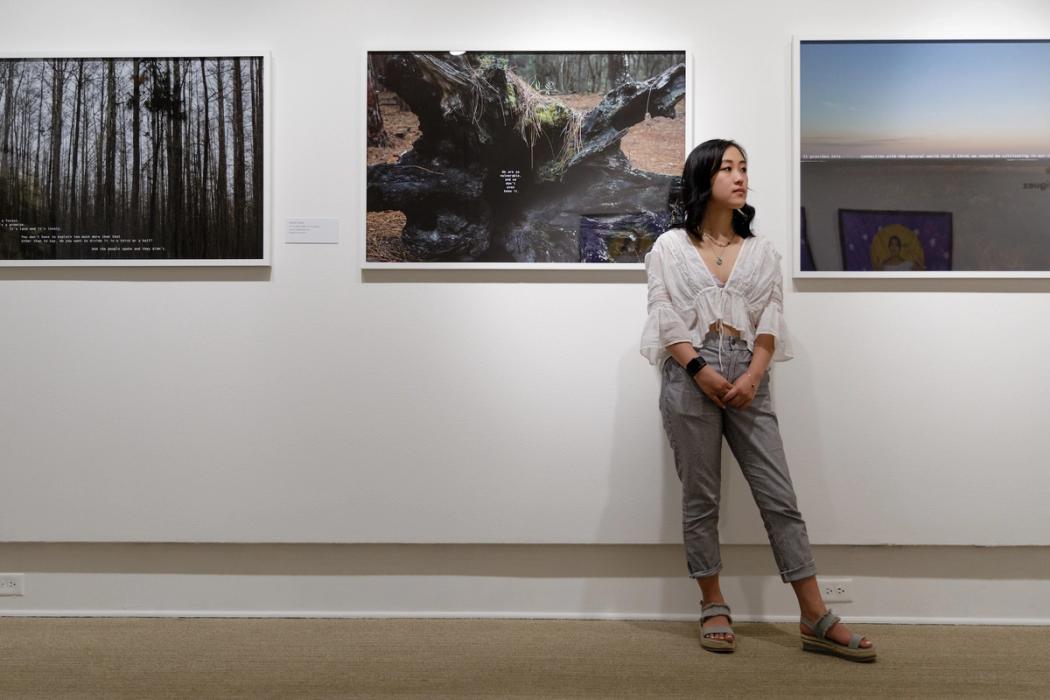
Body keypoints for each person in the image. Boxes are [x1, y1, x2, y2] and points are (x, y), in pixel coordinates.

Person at [640, 139, 875, 662]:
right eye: (727, 168)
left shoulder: (763, 250)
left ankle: (814, 614)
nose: (740, 176)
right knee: (701, 498)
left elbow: (770, 318)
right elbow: (663, 316)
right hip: (689, 376)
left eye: (743, 167)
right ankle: (713, 602)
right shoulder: (669, 247)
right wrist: (700, 371)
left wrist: (751, 377)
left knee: (779, 497)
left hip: (749, 375)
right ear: (704, 177)